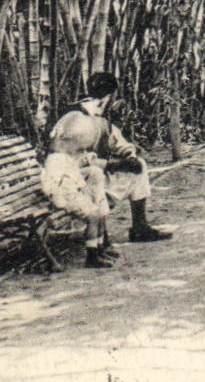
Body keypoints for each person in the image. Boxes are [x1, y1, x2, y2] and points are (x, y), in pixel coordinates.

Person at [39, 72, 170, 269]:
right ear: (109, 97)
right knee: (98, 179)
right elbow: (72, 163)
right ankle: (99, 242)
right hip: (72, 180)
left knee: (137, 166)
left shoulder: (96, 118)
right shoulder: (77, 120)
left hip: (86, 175)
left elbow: (117, 143)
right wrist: (110, 165)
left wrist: (129, 156)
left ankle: (139, 227)